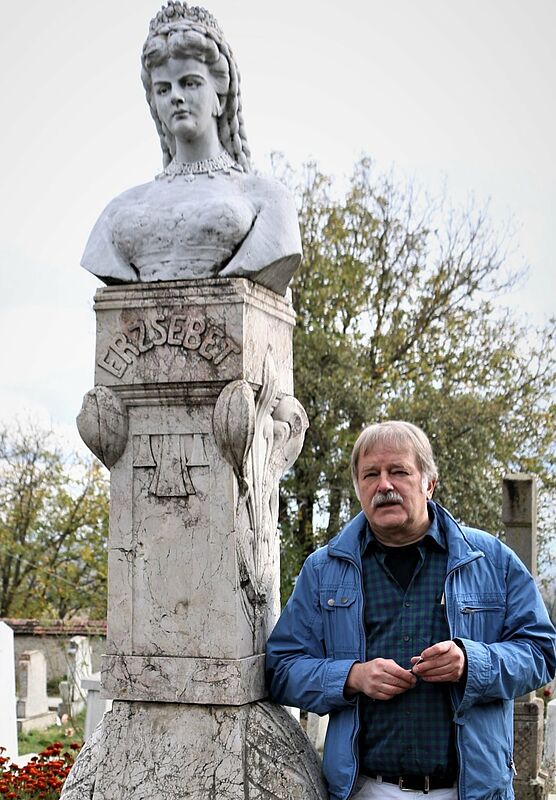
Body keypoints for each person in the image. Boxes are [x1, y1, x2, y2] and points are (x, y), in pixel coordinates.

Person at [265, 421, 556, 800]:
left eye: (398, 472)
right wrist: (351, 676)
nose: (384, 485)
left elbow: (542, 651)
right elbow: (281, 667)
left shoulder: (491, 559)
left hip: (470, 791)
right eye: (371, 475)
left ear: (428, 483)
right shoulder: (324, 570)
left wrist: (472, 663)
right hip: (365, 788)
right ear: (358, 488)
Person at [81, 1, 301, 296]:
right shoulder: (118, 209)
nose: (176, 97)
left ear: (220, 96)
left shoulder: (270, 202)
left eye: (190, 83)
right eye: (163, 89)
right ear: (154, 103)